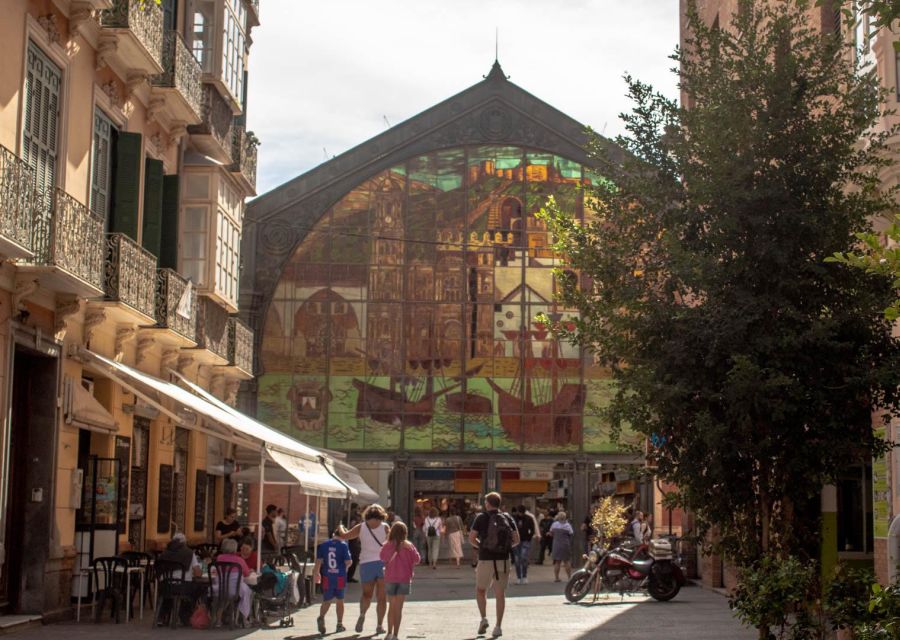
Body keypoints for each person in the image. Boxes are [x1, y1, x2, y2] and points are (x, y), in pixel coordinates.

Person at [469, 492, 519, 639]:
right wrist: (504, 547)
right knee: (500, 594)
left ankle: (484, 618)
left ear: (487, 504)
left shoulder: (481, 517)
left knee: (480, 590)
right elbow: (516, 540)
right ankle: (498, 627)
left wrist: (482, 546)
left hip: (485, 559)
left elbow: (472, 538)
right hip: (503, 560)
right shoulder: (508, 517)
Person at [339, 504, 391, 635]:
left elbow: (345, 536)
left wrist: (340, 526)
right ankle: (379, 625)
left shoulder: (361, 527)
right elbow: (391, 544)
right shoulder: (385, 527)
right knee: (382, 598)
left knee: (366, 595)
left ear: (367, 515)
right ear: (381, 515)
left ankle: (362, 614)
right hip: (383, 564)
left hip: (366, 564)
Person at [379, 522, 421, 640]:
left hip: (390, 578)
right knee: (399, 608)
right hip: (404, 579)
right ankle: (396, 635)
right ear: (405, 533)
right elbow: (417, 559)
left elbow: (381, 557)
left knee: (391, 606)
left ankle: (389, 633)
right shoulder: (409, 546)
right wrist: (410, 548)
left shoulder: (387, 545)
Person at [158, 533, 203, 625]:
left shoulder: (164, 553)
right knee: (199, 588)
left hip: (165, 586)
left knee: (170, 591)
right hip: (183, 587)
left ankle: (162, 616)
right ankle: (185, 615)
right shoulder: (189, 553)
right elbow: (198, 573)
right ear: (184, 543)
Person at [315, 526, 352, 635]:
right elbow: (348, 561)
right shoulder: (343, 545)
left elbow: (318, 561)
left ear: (333, 534)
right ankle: (339, 624)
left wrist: (316, 573)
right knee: (340, 600)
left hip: (327, 576)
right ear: (343, 536)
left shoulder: (324, 545)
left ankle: (321, 617)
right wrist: (345, 569)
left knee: (327, 600)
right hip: (340, 576)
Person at [215, 538, 253, 624]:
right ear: (235, 548)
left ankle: (218, 620)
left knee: (224, 599)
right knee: (247, 592)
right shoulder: (239, 560)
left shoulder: (219, 558)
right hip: (235, 590)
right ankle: (244, 619)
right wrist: (250, 571)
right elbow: (247, 574)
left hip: (221, 589)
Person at [512, 505, 535, 585]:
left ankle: (524, 576)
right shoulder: (514, 519)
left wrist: (529, 537)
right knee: (517, 559)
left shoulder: (529, 519)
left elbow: (532, 529)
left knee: (524, 558)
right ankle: (519, 577)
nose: (520, 514)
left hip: (525, 540)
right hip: (516, 541)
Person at [550, 511, 575, 582]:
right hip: (565, 545)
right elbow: (571, 534)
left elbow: (551, 533)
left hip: (556, 544)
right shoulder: (567, 525)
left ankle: (556, 577)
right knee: (566, 561)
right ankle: (569, 577)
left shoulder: (554, 524)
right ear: (565, 517)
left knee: (557, 562)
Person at [346, 505, 362, 583]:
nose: (358, 510)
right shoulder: (353, 518)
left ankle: (349, 576)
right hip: (353, 542)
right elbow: (352, 527)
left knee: (353, 559)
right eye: (357, 508)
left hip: (353, 541)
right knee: (353, 559)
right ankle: (349, 576)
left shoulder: (350, 516)